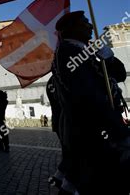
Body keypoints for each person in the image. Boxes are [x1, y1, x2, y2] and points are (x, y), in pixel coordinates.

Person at [51, 10, 130, 195]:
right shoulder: (69, 52)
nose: (90, 25)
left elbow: (119, 75)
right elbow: (89, 96)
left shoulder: (85, 51)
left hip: (94, 128)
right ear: (71, 29)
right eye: (84, 22)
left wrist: (108, 57)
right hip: (90, 129)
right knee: (95, 182)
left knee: (83, 180)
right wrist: (119, 131)